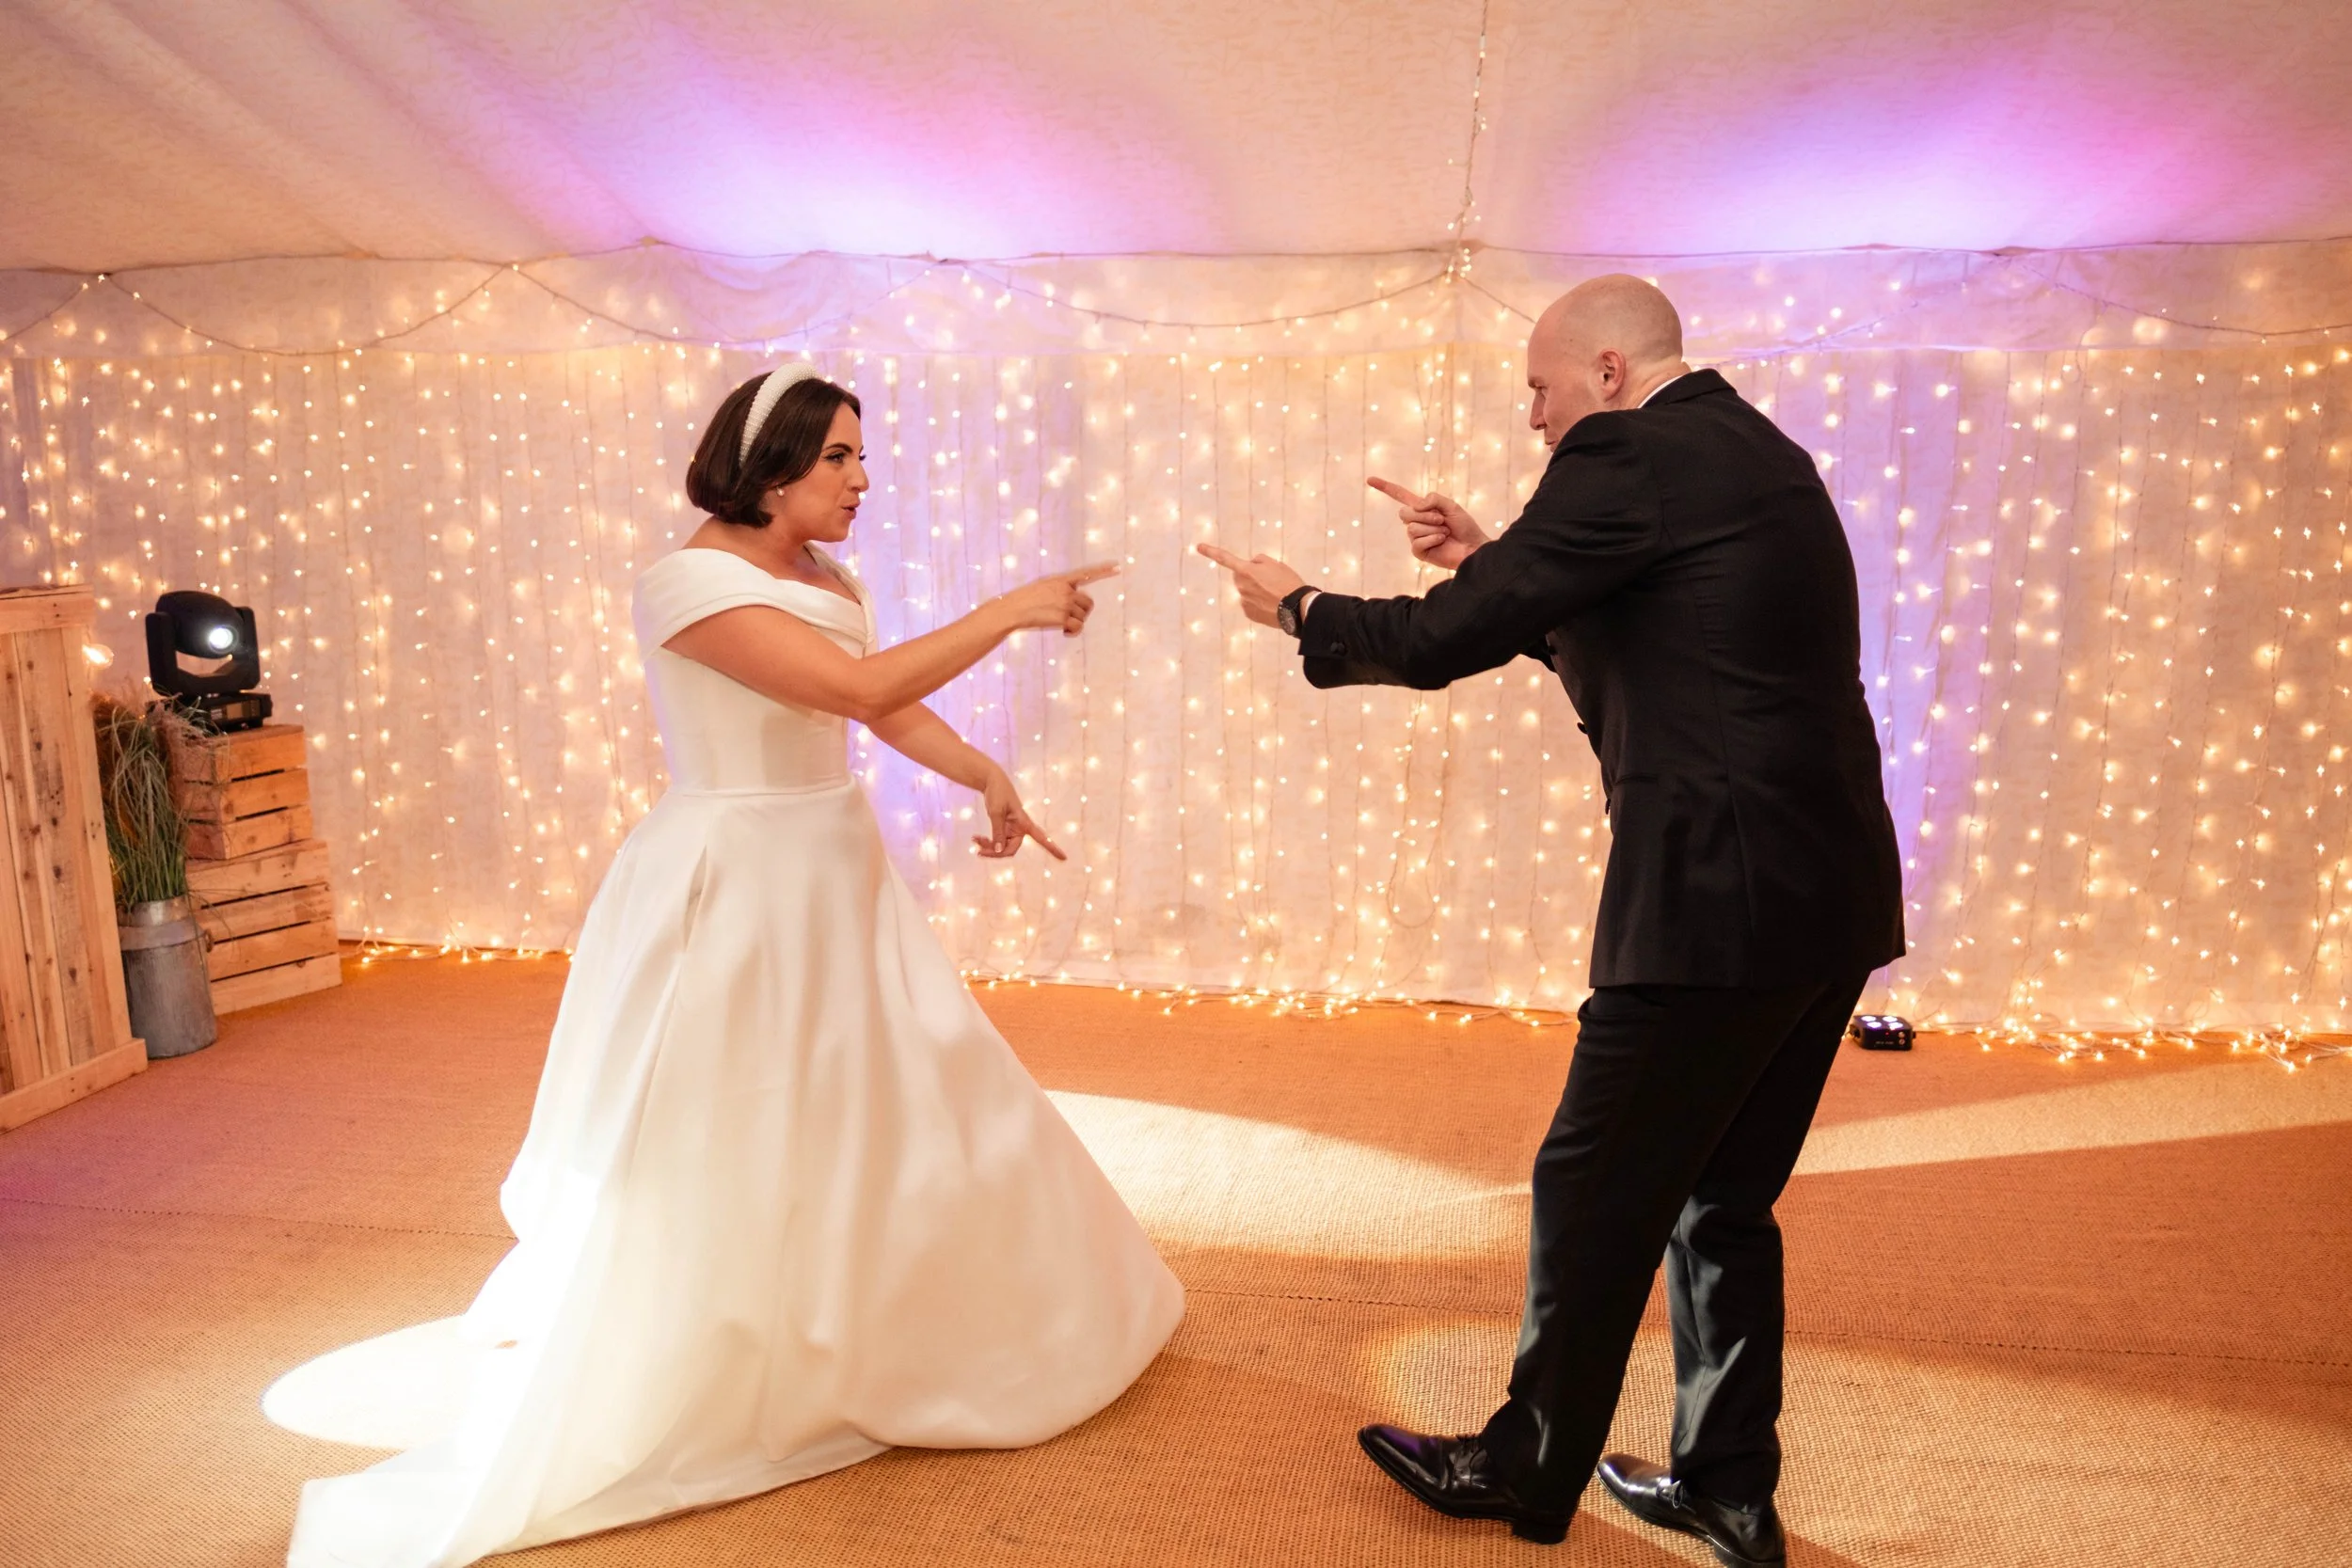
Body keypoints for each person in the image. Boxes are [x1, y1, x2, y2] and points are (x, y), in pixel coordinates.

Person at [288, 365, 1182, 1568]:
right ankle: (746, 1320)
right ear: (768, 468)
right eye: (840, 460)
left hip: (831, 859)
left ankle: (877, 1310)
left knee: (901, 1085)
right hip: (736, 870)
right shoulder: (687, 582)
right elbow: (860, 682)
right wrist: (1007, 609)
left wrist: (981, 771)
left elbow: (874, 712)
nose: (865, 479)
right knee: (736, 1107)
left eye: (863, 457)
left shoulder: (828, 577)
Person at [1200, 276, 1903, 1565]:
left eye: (1542, 388)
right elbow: (1660, 639)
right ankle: (1726, 1485)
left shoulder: (1622, 450)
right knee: (1724, 1196)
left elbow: (1430, 644)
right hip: (1830, 893)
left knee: (1593, 1183)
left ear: (1613, 370)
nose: (1534, 419)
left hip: (1713, 900)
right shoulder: (1755, 450)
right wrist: (1493, 558)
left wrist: (1301, 606)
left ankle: (1527, 1462)